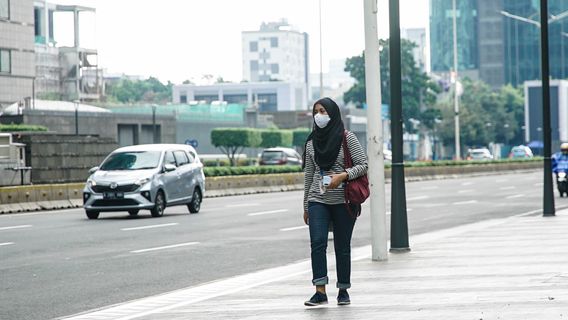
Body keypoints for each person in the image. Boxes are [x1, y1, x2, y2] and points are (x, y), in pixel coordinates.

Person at [302, 97, 368, 306]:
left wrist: (343, 175)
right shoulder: (311, 143)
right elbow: (309, 175)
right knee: (318, 242)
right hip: (317, 199)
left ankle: (343, 290)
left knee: (342, 246)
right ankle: (320, 291)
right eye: (316, 111)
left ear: (333, 113)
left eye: (323, 111)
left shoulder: (347, 138)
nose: (319, 115)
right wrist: (306, 205)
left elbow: (363, 165)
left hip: (343, 201)